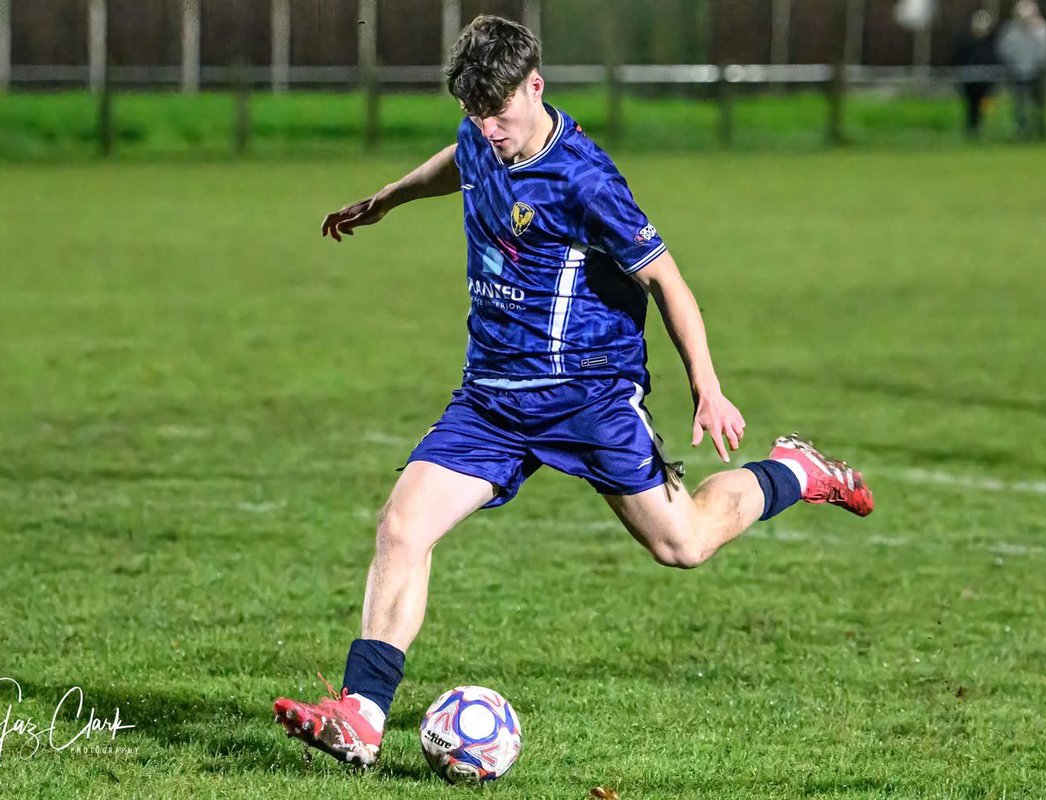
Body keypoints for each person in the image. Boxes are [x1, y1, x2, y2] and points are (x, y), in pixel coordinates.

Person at [272, 15, 874, 768]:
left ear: (536, 86)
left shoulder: (585, 179)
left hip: (586, 393)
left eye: (499, 113)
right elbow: (457, 162)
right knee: (402, 526)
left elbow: (665, 278)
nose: (487, 129)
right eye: (474, 114)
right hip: (490, 398)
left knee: (682, 545)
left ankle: (795, 470)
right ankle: (361, 717)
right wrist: (387, 199)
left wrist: (707, 386)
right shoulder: (478, 133)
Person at [996, 0, 1046, 140]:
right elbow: (1004, 50)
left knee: (1040, 106)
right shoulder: (1011, 32)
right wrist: (1014, 66)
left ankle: (1042, 132)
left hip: (1038, 75)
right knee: (1020, 106)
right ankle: (1021, 133)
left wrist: (1039, 66)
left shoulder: (1042, 31)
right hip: (1018, 75)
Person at [953, 9, 999, 138]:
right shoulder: (965, 42)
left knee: (984, 109)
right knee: (970, 108)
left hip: (986, 84)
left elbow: (994, 60)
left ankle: (983, 131)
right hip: (969, 82)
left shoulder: (991, 43)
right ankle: (971, 131)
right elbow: (958, 59)